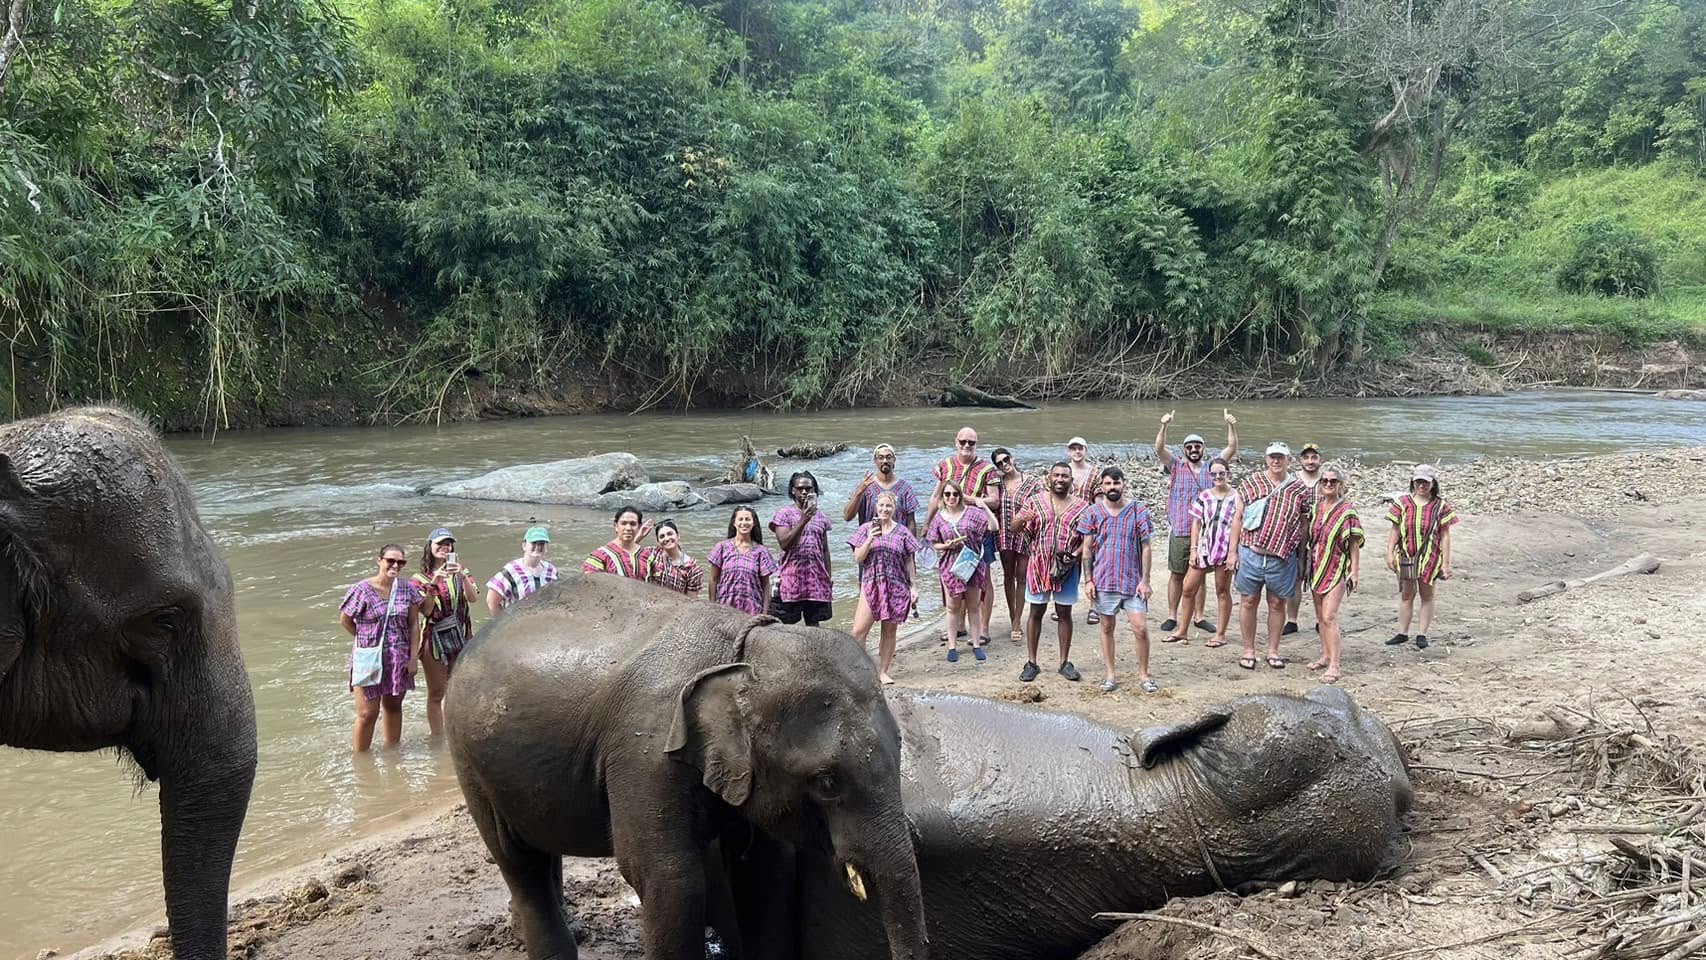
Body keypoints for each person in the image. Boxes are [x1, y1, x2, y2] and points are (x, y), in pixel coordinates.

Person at [1155, 409, 1239, 638]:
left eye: (1197, 446)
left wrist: (1230, 425)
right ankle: (1173, 615)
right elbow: (1159, 449)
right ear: (1184, 450)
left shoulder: (1213, 467)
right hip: (1182, 527)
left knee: (1199, 575)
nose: (1193, 450)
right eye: (1189, 447)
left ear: (1203, 449)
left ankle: (1199, 616)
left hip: (1209, 532)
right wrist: (1164, 426)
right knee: (1177, 573)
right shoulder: (1176, 466)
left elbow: (1231, 449)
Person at [340, 543, 427, 751]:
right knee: (367, 714)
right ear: (379, 561)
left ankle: (392, 756)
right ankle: (361, 761)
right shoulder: (361, 589)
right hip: (368, 658)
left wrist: (413, 657)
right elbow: (345, 620)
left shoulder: (408, 589)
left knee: (394, 707)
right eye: (391, 560)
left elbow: (414, 624)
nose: (395, 565)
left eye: (401, 562)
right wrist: (365, 640)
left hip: (399, 657)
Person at [1078, 467, 1157, 693]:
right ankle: (1111, 674)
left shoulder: (1138, 510)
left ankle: (1144, 675)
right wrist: (1088, 580)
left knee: (1140, 628)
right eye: (1108, 484)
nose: (1112, 487)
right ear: (1101, 487)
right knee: (1106, 626)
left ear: (1124, 484)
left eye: (1116, 483)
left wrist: (1146, 580)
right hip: (1103, 580)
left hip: (1133, 582)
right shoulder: (1092, 512)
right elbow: (1087, 550)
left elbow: (1146, 546)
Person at [1234, 442, 1310, 671]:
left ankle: (1273, 650)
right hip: (1250, 552)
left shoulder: (1299, 489)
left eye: (1280, 458)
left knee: (1277, 603)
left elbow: (1304, 525)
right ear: (1265, 459)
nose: (1276, 461)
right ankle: (1248, 650)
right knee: (1248, 601)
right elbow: (1237, 518)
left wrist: (1302, 558)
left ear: (1289, 460)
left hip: (1282, 557)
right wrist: (1231, 552)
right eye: (1272, 458)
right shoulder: (1251, 482)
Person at [1013, 462, 1090, 683]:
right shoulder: (1035, 502)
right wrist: (1019, 520)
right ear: (1049, 478)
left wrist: (1075, 554)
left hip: (1066, 568)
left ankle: (1064, 662)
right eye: (1056, 475)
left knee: (1064, 613)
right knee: (1036, 612)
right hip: (1038, 565)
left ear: (1071, 480)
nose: (1060, 479)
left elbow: (1088, 538)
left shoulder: (1082, 507)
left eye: (1064, 476)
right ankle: (1032, 662)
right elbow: (1015, 529)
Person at [848, 491, 922, 684]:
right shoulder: (866, 529)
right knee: (858, 631)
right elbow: (858, 558)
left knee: (889, 631)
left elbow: (909, 561)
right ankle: (859, 669)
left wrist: (913, 586)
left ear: (894, 508)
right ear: (875, 507)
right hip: (871, 584)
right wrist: (870, 539)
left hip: (896, 585)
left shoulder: (903, 532)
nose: (884, 509)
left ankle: (883, 671)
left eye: (888, 506)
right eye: (881, 505)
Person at [412, 527, 478, 737]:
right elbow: (427, 610)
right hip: (435, 639)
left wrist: (460, 574)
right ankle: (438, 738)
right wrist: (434, 583)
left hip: (462, 635)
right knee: (437, 692)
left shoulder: (461, 571)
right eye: (439, 544)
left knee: (459, 687)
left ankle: (456, 732)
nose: (444, 547)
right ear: (429, 547)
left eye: (448, 544)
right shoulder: (419, 579)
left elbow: (473, 598)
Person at [1386, 464, 1460, 650]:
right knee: (1406, 594)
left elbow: (1445, 535)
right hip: (1406, 555)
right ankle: (1402, 632)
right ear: (1413, 482)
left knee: (1427, 595)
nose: (1422, 485)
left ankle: (1422, 634)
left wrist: (1446, 563)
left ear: (1433, 483)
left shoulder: (1440, 506)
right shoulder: (1402, 503)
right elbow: (1395, 530)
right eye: (1418, 481)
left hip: (1430, 557)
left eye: (1425, 482)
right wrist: (1389, 552)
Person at [1305, 466, 1363, 684]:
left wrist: (1354, 571)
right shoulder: (1316, 507)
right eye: (1325, 481)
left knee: (1329, 616)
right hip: (1316, 565)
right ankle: (1325, 655)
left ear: (1340, 485)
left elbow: (1354, 543)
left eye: (1333, 481)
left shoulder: (1347, 510)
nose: (1328, 484)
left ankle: (1335, 665)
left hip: (1337, 566)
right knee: (1320, 617)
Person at [1177, 458, 1242, 648]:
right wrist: (1194, 549)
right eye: (1214, 474)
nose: (1218, 477)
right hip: (1205, 548)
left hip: (1224, 549)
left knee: (1222, 590)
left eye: (1222, 473)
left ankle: (1220, 634)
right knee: (1188, 588)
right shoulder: (1204, 496)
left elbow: (1239, 524)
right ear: (1210, 475)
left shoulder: (1237, 497)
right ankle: (1182, 630)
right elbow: (1196, 523)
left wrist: (1233, 552)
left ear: (1228, 473)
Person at [926, 479, 993, 662]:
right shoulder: (939, 518)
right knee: (952, 607)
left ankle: (977, 643)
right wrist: (946, 545)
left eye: (955, 494)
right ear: (943, 497)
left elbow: (993, 527)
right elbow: (934, 544)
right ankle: (952, 646)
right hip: (950, 566)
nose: (951, 497)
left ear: (960, 495)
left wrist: (984, 506)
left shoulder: (973, 513)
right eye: (947, 494)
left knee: (973, 605)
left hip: (971, 563)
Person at [991, 448, 1042, 643]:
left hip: (1025, 534)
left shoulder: (1031, 482)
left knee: (1022, 576)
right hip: (1004, 534)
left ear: (1013, 459)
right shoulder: (998, 484)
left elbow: (1041, 505)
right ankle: (1013, 616)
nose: (1004, 464)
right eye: (999, 463)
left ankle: (1017, 621)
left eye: (1006, 460)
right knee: (1008, 575)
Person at [770, 471, 834, 626]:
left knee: (814, 628)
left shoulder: (820, 517)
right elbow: (785, 544)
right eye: (800, 488)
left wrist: (828, 577)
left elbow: (824, 550)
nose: (804, 492)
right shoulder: (784, 515)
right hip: (791, 581)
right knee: (787, 628)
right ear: (793, 490)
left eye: (808, 488)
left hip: (816, 580)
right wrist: (803, 520)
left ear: (814, 491)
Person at [1284, 441, 1326, 635]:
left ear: (1320, 459)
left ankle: (1321, 619)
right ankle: (1291, 620)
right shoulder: (1292, 479)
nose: (1310, 461)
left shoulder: (1326, 480)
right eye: (1307, 457)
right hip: (1294, 533)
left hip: (1321, 535)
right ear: (1300, 459)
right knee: (1295, 578)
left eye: (1314, 457)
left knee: (1320, 578)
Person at [707, 505, 780, 615]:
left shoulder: (761, 551)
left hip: (752, 610)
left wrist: (764, 613)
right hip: (724, 609)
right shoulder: (722, 547)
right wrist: (712, 606)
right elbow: (713, 579)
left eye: (747, 519)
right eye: (740, 519)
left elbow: (765, 585)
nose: (744, 523)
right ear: (734, 523)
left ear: (753, 523)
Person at [1065, 436, 1102, 625]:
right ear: (1068, 451)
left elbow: (1098, 500)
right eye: (1074, 449)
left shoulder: (1094, 473)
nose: (1077, 452)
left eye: (1080, 448)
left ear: (1086, 450)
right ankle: (1065, 604)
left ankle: (1094, 606)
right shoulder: (1063, 471)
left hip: (1088, 524)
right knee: (1068, 564)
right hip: (1067, 524)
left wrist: (1098, 521)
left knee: (1091, 565)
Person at [845, 444, 921, 533]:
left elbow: (911, 522)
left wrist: (912, 545)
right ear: (875, 461)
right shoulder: (865, 486)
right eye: (880, 458)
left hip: (897, 543)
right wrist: (858, 493)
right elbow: (847, 517)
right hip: (869, 543)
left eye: (888, 457)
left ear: (894, 460)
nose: (885, 461)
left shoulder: (905, 488)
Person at [487, 525, 558, 614]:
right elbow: (492, 602)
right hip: (517, 624)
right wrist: (503, 623)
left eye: (542, 543)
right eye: (534, 543)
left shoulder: (551, 570)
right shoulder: (511, 570)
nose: (538, 546)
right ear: (524, 545)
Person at [583, 506, 653, 578]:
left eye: (633, 524)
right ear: (616, 526)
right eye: (623, 523)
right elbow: (589, 583)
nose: (628, 528)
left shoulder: (648, 556)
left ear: (639, 527)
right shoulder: (600, 556)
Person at [641, 519, 704, 595]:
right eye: (662, 536)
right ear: (658, 541)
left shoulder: (692, 568)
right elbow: (625, 557)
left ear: (678, 536)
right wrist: (640, 536)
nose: (667, 538)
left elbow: (691, 600)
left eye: (670, 534)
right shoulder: (651, 554)